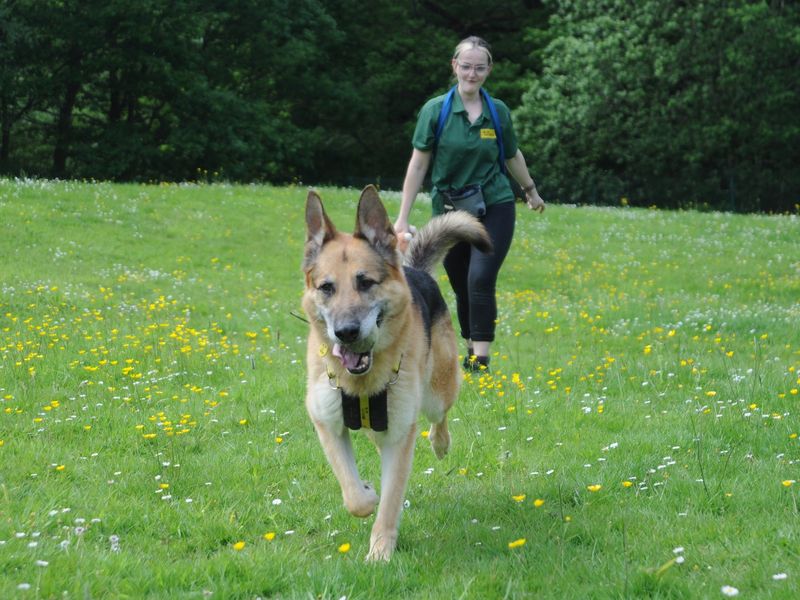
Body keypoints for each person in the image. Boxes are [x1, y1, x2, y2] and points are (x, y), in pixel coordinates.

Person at [394, 36, 545, 372]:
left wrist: (530, 191)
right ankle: (469, 346)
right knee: (462, 284)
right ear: (455, 67)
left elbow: (512, 155)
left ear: (488, 70)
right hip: (450, 211)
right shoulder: (436, 111)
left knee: (480, 277)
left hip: (495, 204)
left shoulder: (498, 112)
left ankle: (481, 358)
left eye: (479, 67)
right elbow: (418, 165)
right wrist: (402, 219)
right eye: (466, 66)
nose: (472, 74)